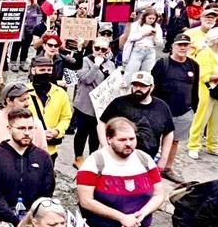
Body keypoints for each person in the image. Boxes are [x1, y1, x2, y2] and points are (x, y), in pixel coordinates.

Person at [0, 108, 55, 225]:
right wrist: (15, 221)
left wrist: (29, 219)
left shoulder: (43, 157)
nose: (26, 132)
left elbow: (46, 193)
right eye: (21, 128)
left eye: (30, 128)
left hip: (32, 221)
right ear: (9, 129)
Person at [151, 34, 200, 182]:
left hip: (183, 111)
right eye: (180, 44)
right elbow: (152, 87)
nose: (183, 48)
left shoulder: (193, 65)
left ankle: (167, 168)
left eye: (186, 45)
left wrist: (193, 108)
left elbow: (195, 88)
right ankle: (149, 169)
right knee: (153, 140)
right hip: (161, 111)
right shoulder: (162, 63)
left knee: (174, 141)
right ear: (173, 46)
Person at [99, 71, 175, 162]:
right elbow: (101, 123)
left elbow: (169, 132)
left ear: (151, 87)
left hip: (148, 160)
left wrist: (164, 158)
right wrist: (106, 147)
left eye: (143, 86)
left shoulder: (162, 107)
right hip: (118, 157)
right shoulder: (119, 103)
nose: (138, 88)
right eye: (135, 85)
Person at [188, 27, 218, 159]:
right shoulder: (205, 53)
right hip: (206, 89)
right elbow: (203, 75)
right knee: (202, 118)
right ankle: (194, 145)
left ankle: (213, 145)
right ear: (215, 40)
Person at [72, 38, 116, 168]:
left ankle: (93, 157)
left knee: (96, 134)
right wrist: (96, 65)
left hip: (100, 106)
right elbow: (86, 79)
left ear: (108, 50)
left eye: (103, 49)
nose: (100, 52)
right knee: (82, 132)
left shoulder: (110, 64)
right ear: (93, 48)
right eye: (97, 48)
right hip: (85, 104)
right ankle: (78, 157)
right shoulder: (85, 60)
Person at [0, 83, 48, 152]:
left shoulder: (35, 122)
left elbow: (43, 153)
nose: (27, 104)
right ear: (9, 101)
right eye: (22, 100)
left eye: (28, 99)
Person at [27, 56, 72, 160]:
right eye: (42, 70)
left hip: (49, 150)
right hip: (27, 147)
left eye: (49, 70)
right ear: (33, 70)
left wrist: (57, 131)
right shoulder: (24, 92)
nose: (45, 73)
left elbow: (66, 117)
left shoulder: (60, 93)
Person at [122, 7, 164, 79]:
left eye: (153, 19)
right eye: (149, 18)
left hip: (150, 51)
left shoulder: (157, 27)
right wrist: (144, 34)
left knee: (146, 74)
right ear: (145, 17)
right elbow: (130, 38)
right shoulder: (136, 25)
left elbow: (160, 44)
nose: (151, 20)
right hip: (137, 50)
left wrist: (154, 37)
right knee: (131, 73)